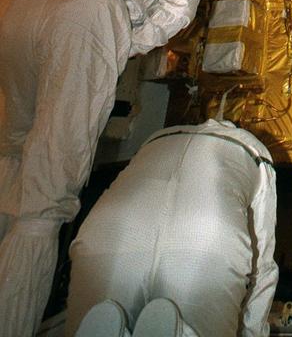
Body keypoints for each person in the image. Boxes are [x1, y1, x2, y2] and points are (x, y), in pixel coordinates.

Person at [0, 0, 201, 337]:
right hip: (87, 15)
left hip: (22, 9)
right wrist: (115, 45)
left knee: (13, 151)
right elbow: (175, 14)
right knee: (49, 190)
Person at [67, 119, 278, 337]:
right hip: (202, 235)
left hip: (112, 229)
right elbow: (263, 266)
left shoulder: (157, 138)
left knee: (101, 319)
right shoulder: (254, 149)